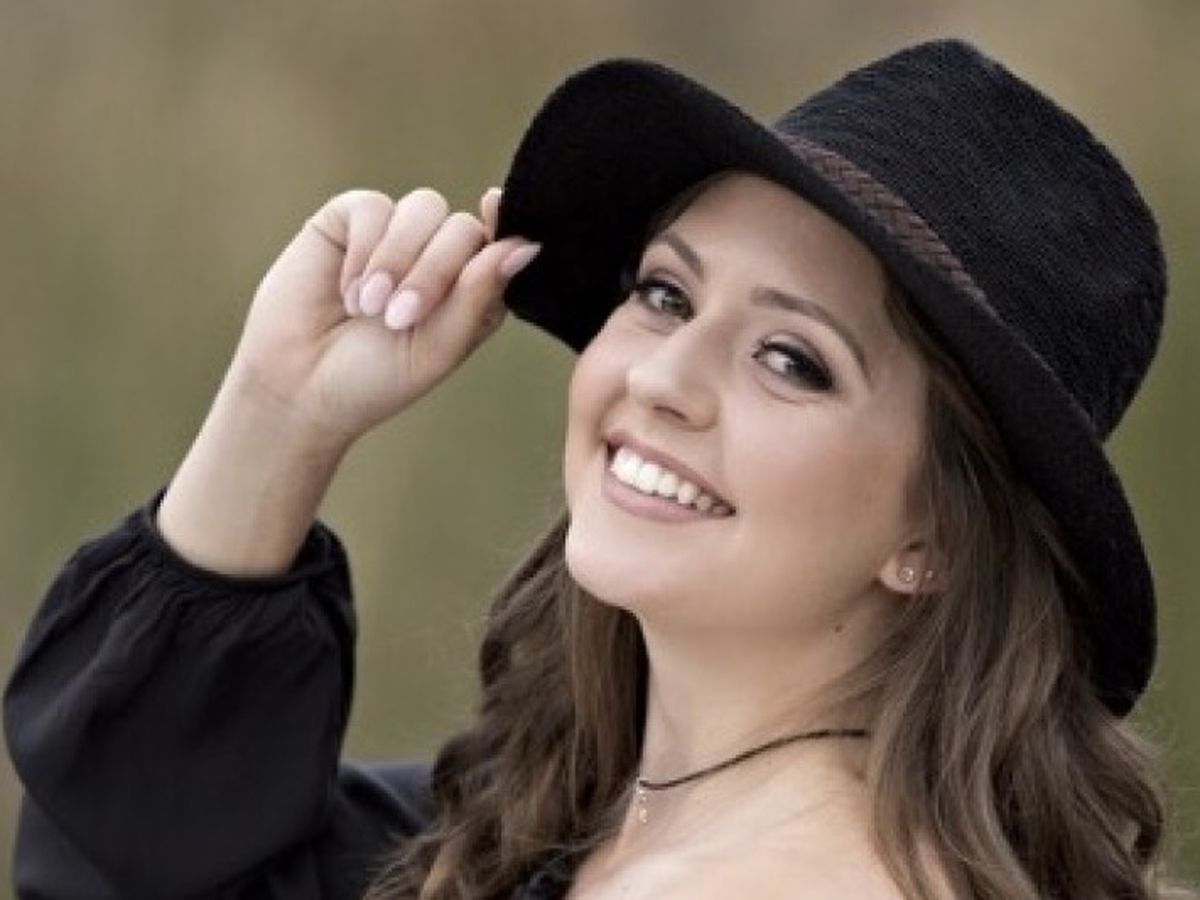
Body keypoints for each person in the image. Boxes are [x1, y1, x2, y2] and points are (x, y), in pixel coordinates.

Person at [3, 37, 1195, 900]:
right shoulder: (536, 833)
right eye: (665, 293)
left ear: (933, 538)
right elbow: (130, 849)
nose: (666, 376)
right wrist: (281, 413)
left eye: (791, 360)